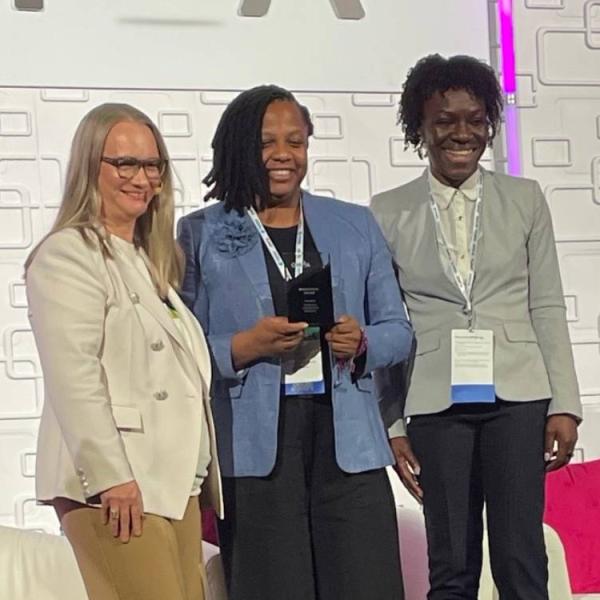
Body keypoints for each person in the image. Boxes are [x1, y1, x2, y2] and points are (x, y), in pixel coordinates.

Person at [178, 84, 413, 600]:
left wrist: (363, 340)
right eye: (267, 142)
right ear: (239, 147)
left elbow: (399, 331)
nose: (283, 155)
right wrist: (245, 346)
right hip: (254, 447)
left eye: (296, 141)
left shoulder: (355, 224)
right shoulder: (199, 233)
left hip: (348, 441)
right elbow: (181, 349)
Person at [371, 54, 582, 600]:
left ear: (490, 123)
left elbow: (548, 305)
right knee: (452, 564)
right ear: (419, 128)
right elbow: (386, 326)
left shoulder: (525, 198)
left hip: (519, 394)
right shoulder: (387, 212)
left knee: (520, 558)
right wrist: (392, 426)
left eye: (475, 119)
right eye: (444, 120)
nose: (461, 133)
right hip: (435, 401)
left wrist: (563, 403)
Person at [25, 103, 222, 600]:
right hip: (116, 487)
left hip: (171, 486)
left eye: (152, 165)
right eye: (125, 164)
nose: (142, 178)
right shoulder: (70, 254)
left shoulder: (149, 262)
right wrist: (111, 478)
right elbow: (75, 379)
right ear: (92, 166)